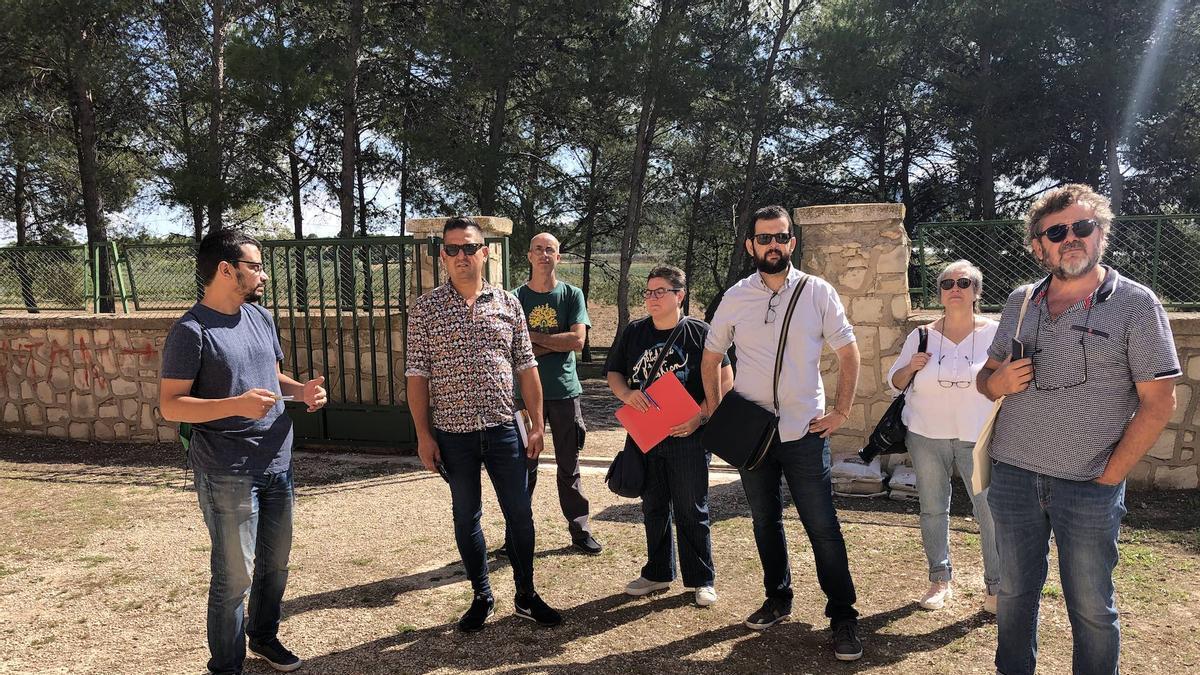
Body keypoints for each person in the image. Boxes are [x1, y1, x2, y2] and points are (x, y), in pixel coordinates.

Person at [977, 184, 1180, 675]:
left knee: (1091, 609)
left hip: (1089, 487)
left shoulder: (1136, 304)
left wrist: (1110, 477)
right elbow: (987, 379)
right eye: (1057, 231)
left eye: (1083, 227)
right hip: (1013, 478)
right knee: (1014, 597)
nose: (1071, 238)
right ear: (1038, 244)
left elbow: (1158, 403)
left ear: (1101, 235)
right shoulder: (1021, 302)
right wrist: (994, 382)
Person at [159, 229, 328, 675]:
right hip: (226, 470)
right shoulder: (190, 331)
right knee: (235, 576)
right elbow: (170, 404)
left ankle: (265, 637)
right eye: (255, 266)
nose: (264, 275)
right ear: (225, 269)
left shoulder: (260, 318)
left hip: (277, 461)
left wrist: (302, 391)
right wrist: (235, 405)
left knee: (275, 563)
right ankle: (227, 666)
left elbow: (272, 380)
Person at [701, 205, 864, 662]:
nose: (773, 245)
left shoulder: (818, 292)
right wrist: (717, 414)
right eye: (764, 238)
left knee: (823, 527)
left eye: (781, 237)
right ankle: (778, 597)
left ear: (792, 242)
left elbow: (849, 353)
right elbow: (711, 357)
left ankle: (843, 617)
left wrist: (842, 411)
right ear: (751, 245)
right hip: (754, 435)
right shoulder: (735, 296)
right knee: (764, 521)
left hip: (805, 432)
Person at [405, 216, 563, 633]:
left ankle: (526, 595)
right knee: (466, 517)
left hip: (502, 428)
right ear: (442, 255)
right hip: (453, 434)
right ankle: (481, 595)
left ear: (485, 252)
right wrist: (423, 435)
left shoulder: (508, 304)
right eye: (452, 249)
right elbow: (417, 376)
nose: (461, 255)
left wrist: (536, 424)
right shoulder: (425, 310)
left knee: (520, 515)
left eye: (469, 247)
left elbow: (527, 367)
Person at [604, 265, 733, 607]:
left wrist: (701, 415)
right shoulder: (634, 333)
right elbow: (614, 373)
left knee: (692, 508)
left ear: (680, 295)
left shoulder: (699, 333)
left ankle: (701, 579)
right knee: (654, 506)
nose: (652, 298)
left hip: (688, 436)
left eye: (660, 291)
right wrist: (626, 395)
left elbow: (727, 378)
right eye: (648, 292)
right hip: (648, 434)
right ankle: (658, 573)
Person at [887, 259, 1000, 613]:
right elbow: (894, 382)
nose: (955, 289)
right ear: (939, 292)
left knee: (989, 513)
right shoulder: (921, 335)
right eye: (947, 283)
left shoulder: (993, 334)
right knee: (933, 509)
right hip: (925, 435)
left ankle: (996, 588)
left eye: (964, 283)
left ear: (976, 291)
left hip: (976, 438)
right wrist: (911, 367)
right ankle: (939, 580)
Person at [510, 232, 601, 555]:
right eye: (538, 249)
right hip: (523, 396)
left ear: (558, 257)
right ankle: (516, 536)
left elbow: (577, 342)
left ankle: (580, 531)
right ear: (529, 255)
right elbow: (509, 347)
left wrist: (531, 340)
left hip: (564, 393)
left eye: (550, 250)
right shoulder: (514, 297)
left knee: (569, 465)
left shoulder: (572, 295)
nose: (544, 254)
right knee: (522, 467)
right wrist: (552, 341)